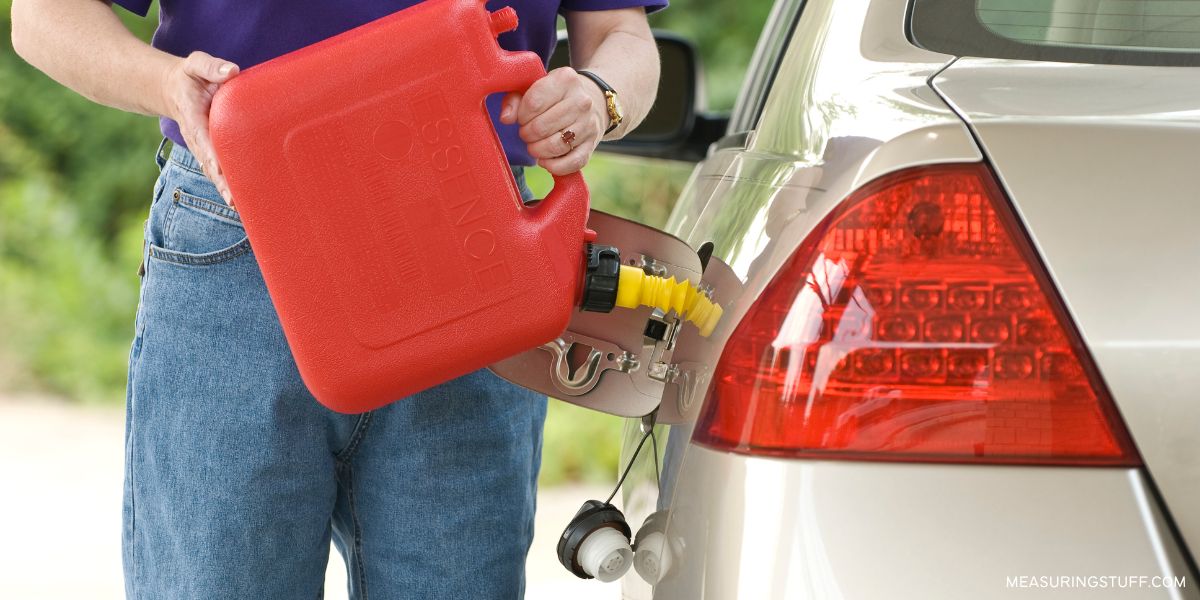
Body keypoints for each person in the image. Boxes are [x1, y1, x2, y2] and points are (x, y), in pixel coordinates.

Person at [10, 0, 663, 597]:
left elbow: (619, 33)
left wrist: (598, 96)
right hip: (244, 235)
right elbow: (44, 17)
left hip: (469, 241)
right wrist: (167, 84)